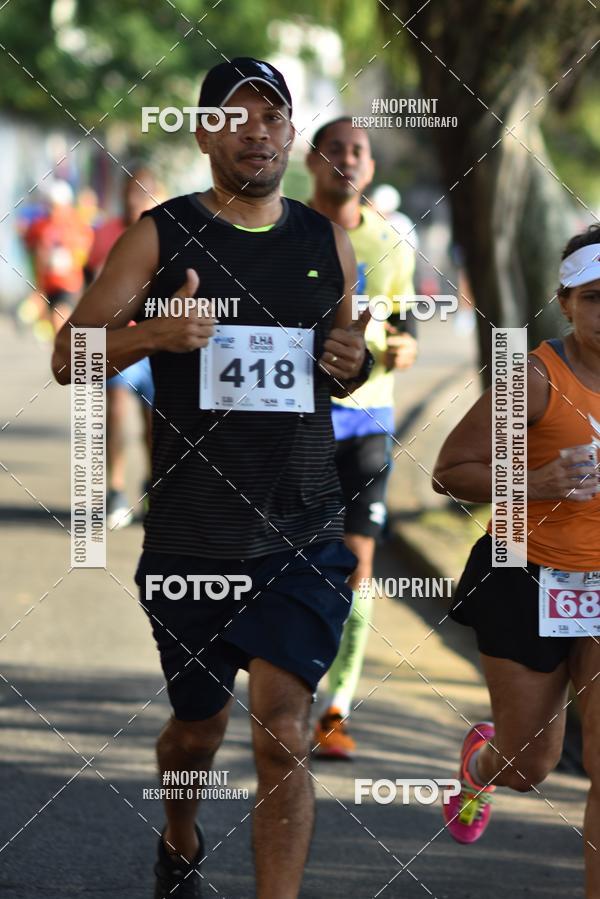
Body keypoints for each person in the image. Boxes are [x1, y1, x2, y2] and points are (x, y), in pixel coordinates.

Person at [52, 58, 374, 899]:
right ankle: (180, 834)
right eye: (235, 116)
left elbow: (340, 364)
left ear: (290, 134)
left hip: (303, 529)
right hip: (194, 537)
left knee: (285, 733)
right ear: (202, 133)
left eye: (272, 116)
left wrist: (354, 359)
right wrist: (153, 335)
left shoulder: (324, 241)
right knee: (197, 731)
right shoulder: (159, 237)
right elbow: (69, 355)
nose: (256, 130)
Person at [432, 225, 600, 895]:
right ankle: (483, 762)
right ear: (566, 302)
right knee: (531, 763)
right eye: (595, 298)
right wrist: (537, 482)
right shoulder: (531, 378)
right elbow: (451, 469)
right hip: (527, 575)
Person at [306, 118, 418, 758]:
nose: (347, 159)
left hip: (370, 419)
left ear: (370, 167)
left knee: (359, 565)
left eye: (359, 150)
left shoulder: (391, 239)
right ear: (313, 162)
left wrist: (404, 345)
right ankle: (289, 688)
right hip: (301, 418)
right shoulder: (288, 229)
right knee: (293, 557)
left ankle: (335, 709)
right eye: (336, 150)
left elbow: (402, 320)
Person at [85, 168, 159, 529]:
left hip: (162, 343)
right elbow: (88, 280)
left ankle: (151, 487)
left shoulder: (171, 233)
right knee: (117, 410)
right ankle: (114, 490)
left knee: (154, 426)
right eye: (131, 193)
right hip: (119, 341)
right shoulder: (104, 233)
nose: (135, 201)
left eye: (144, 194)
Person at [24, 179, 93, 337]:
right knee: (56, 336)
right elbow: (32, 248)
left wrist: (71, 257)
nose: (53, 210)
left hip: (69, 286)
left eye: (57, 205)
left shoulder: (77, 225)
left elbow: (85, 253)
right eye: (51, 205)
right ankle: (67, 358)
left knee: (60, 321)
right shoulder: (40, 226)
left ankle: (79, 357)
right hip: (47, 287)